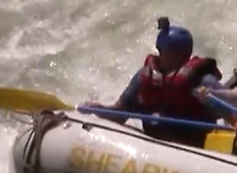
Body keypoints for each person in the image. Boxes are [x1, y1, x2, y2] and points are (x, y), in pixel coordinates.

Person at [83, 17, 225, 147]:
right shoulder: (145, 76)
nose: (162, 56)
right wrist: (98, 109)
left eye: (168, 52)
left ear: (183, 55)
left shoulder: (200, 79)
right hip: (153, 144)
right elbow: (119, 114)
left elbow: (231, 108)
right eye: (161, 50)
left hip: (193, 147)